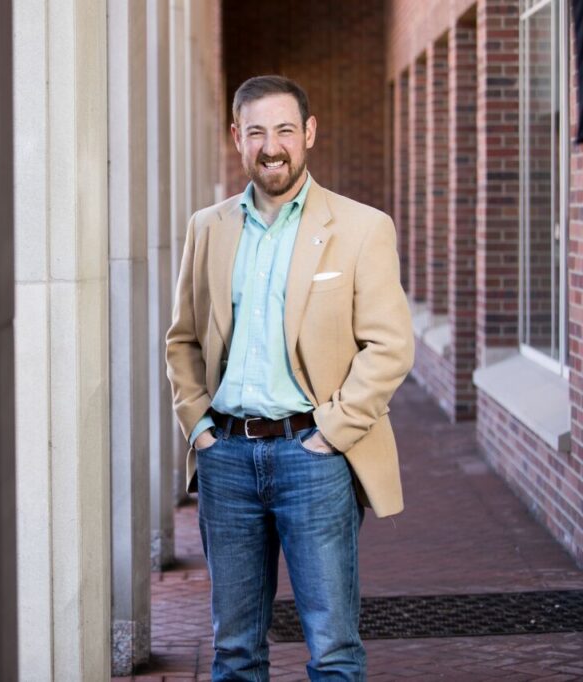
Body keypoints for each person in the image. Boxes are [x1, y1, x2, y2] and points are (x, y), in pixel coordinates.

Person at [165, 75, 414, 681]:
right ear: (236, 138)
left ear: (308, 133)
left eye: (283, 129)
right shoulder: (208, 228)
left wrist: (331, 432)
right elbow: (184, 339)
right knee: (234, 651)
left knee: (331, 649)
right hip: (226, 458)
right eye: (255, 131)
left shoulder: (361, 228)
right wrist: (199, 427)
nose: (269, 145)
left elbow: (389, 345)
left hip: (314, 458)